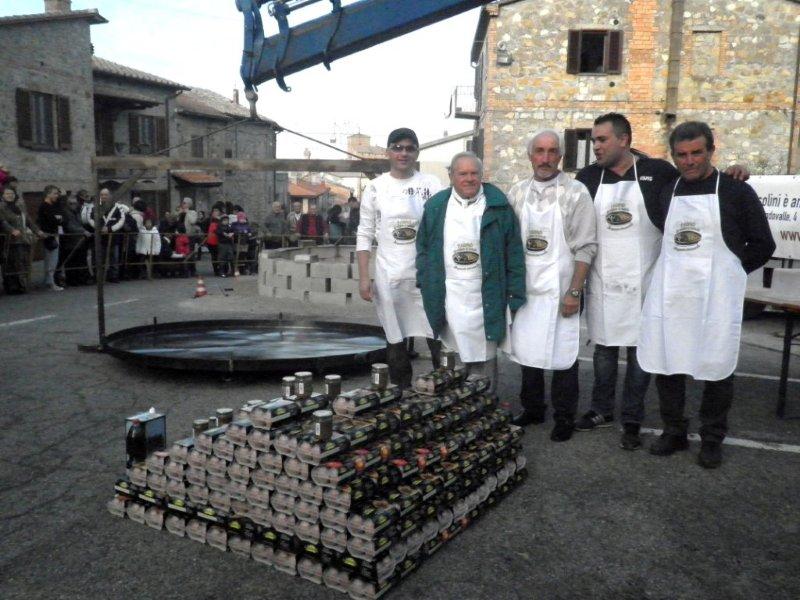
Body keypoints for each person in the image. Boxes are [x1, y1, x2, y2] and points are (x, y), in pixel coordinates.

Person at [574, 112, 748, 450]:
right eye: (593, 140)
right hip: (603, 280)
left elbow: (695, 179)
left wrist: (734, 171)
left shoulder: (658, 172)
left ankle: (632, 419)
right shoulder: (588, 177)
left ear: (624, 140)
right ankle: (600, 409)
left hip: (647, 279)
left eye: (601, 139)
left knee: (641, 353)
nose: (595, 146)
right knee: (604, 351)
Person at [638, 121, 775, 468]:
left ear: (711, 151)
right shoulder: (665, 192)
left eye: (697, 153)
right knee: (667, 364)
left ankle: (712, 438)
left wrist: (731, 272)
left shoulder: (736, 191)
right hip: (673, 296)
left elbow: (763, 244)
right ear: (673, 156)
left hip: (715, 298)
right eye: (682, 155)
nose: (689, 161)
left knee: (716, 366)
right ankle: (674, 431)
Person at [504, 131, 597, 441]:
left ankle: (564, 416)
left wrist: (574, 292)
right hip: (528, 290)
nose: (545, 158)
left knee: (563, 357)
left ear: (560, 156)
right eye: (539, 151)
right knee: (528, 353)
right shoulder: (517, 192)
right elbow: (509, 244)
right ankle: (533, 408)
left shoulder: (576, 193)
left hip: (562, 291)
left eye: (552, 151)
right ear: (530, 155)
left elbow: (586, 247)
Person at [416, 151, 526, 393]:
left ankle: (486, 406)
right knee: (452, 362)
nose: (469, 179)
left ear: (481, 174)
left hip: (486, 296)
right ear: (451, 176)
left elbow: (514, 253)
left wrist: (515, 295)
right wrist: (425, 281)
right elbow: (422, 248)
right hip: (450, 296)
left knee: (485, 361)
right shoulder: (435, 207)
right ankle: (456, 409)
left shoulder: (499, 207)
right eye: (462, 173)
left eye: (474, 173)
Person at [356, 127, 444, 388]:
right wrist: (364, 277)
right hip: (390, 275)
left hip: (426, 276)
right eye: (397, 148)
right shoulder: (375, 188)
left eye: (409, 148)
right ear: (388, 152)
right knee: (395, 339)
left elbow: (443, 227)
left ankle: (444, 390)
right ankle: (401, 394)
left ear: (417, 152)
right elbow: (365, 234)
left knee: (438, 336)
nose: (403, 153)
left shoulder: (431, 184)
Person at [0, 187, 45, 293]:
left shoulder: (19, 207)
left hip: (22, 239)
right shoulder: (1, 208)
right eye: (7, 194)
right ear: (3, 196)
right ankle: (11, 286)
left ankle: (21, 284)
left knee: (22, 262)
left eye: (12, 193)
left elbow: (28, 221)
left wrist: (37, 231)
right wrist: (12, 230)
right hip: (9, 240)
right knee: (10, 263)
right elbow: (2, 222)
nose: (10, 195)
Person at [60, 193, 91, 286]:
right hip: (70, 241)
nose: (73, 205)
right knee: (71, 261)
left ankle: (81, 279)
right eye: (71, 203)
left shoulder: (77, 212)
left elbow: (80, 223)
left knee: (80, 260)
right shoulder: (66, 213)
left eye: (75, 203)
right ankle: (72, 280)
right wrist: (83, 231)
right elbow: (70, 226)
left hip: (79, 240)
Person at [37, 185, 64, 291]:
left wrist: (58, 220)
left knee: (53, 259)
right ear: (48, 194)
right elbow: (52, 220)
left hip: (54, 234)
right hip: (49, 235)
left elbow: (60, 218)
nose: (57, 196)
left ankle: (49, 281)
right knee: (51, 260)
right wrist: (58, 220)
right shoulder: (44, 206)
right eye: (55, 193)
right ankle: (50, 283)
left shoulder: (53, 206)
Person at [102, 190, 129, 283]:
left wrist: (110, 229)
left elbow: (121, 220)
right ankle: (101, 276)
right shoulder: (97, 207)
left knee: (114, 258)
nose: (104, 196)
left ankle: (113, 276)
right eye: (102, 195)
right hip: (101, 237)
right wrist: (101, 228)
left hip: (114, 237)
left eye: (106, 195)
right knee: (101, 258)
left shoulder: (117, 208)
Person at [206, 208, 222, 275]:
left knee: (219, 255)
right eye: (214, 211)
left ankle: (220, 269)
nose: (215, 212)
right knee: (214, 256)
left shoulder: (221, 219)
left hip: (219, 240)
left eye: (217, 211)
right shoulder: (209, 220)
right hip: (211, 241)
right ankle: (216, 270)